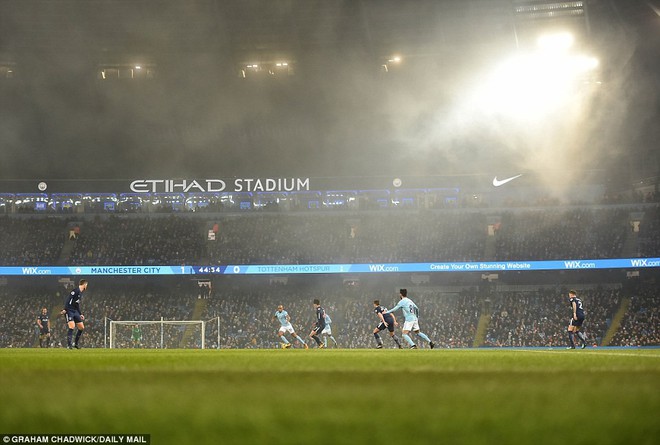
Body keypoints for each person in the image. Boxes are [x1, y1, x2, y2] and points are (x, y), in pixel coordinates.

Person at [61, 279, 88, 349]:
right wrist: (65, 309)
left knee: (81, 327)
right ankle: (69, 345)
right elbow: (68, 299)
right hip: (69, 310)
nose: (86, 286)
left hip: (75, 311)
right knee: (72, 326)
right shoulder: (75, 291)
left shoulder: (80, 293)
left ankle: (76, 344)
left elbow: (77, 305)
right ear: (84, 284)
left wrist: (80, 314)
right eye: (86, 285)